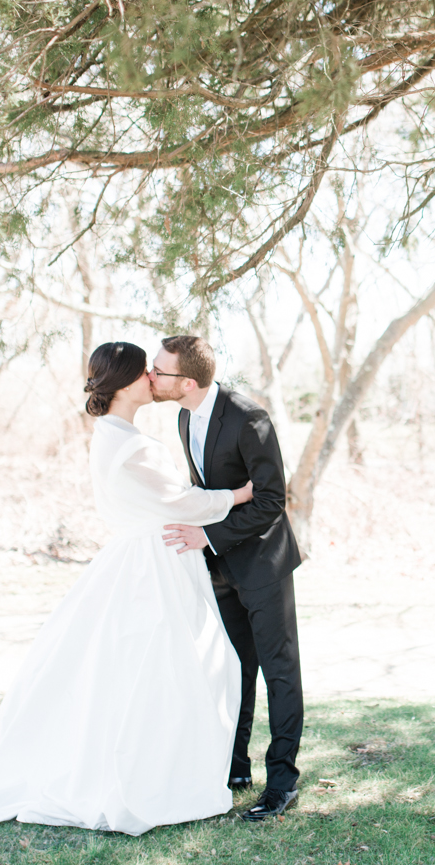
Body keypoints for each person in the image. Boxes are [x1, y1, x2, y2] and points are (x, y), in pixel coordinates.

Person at [0, 342, 253, 835]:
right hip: (148, 566)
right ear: (127, 383)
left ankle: (178, 765)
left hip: (154, 557)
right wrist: (240, 494)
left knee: (165, 668)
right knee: (161, 669)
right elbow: (179, 502)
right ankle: (150, 774)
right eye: (147, 372)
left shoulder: (118, 434)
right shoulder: (126, 443)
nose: (154, 378)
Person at [152, 335, 304, 822]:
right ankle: (235, 768)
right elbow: (207, 490)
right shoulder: (182, 417)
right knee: (233, 670)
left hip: (263, 564)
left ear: (188, 381)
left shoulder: (248, 418)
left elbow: (271, 499)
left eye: (160, 370)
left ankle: (281, 782)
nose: (151, 376)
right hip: (219, 570)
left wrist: (208, 537)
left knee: (279, 672)